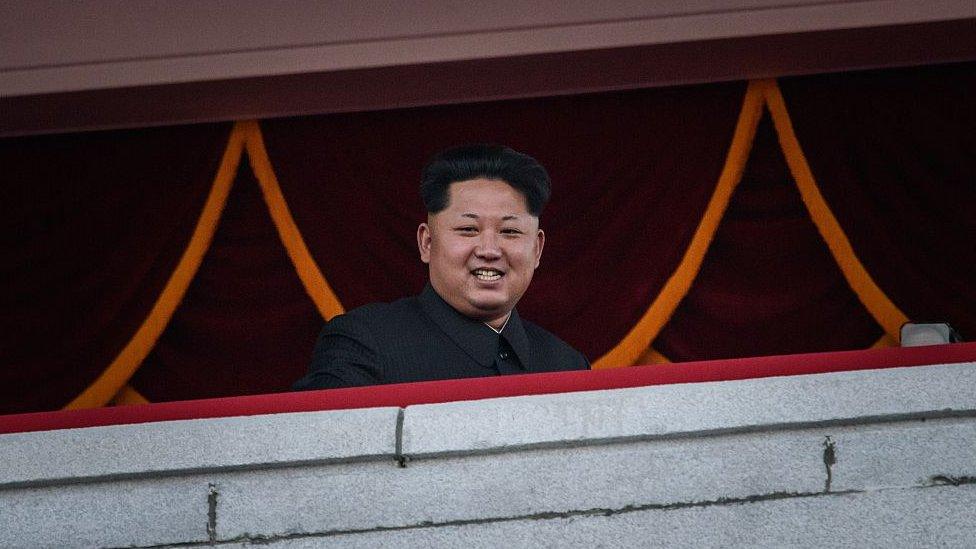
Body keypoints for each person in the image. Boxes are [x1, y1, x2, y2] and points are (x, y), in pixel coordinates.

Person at [292, 144, 589, 390]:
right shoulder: (365, 343)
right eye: (468, 229)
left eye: (509, 232)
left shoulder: (568, 366)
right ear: (427, 242)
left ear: (537, 249)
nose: (489, 250)